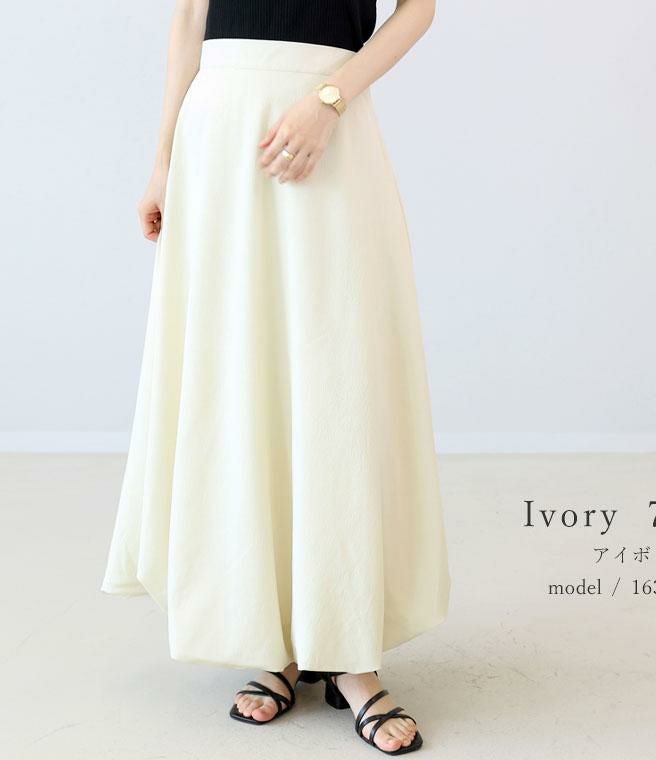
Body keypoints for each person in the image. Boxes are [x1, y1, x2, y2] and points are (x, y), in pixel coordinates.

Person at [101, 0, 450, 754]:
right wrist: (164, 159)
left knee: (334, 373)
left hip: (325, 125)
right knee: (242, 376)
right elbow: (190, 17)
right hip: (218, 134)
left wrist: (329, 100)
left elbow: (419, 8)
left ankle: (350, 651)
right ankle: (272, 638)